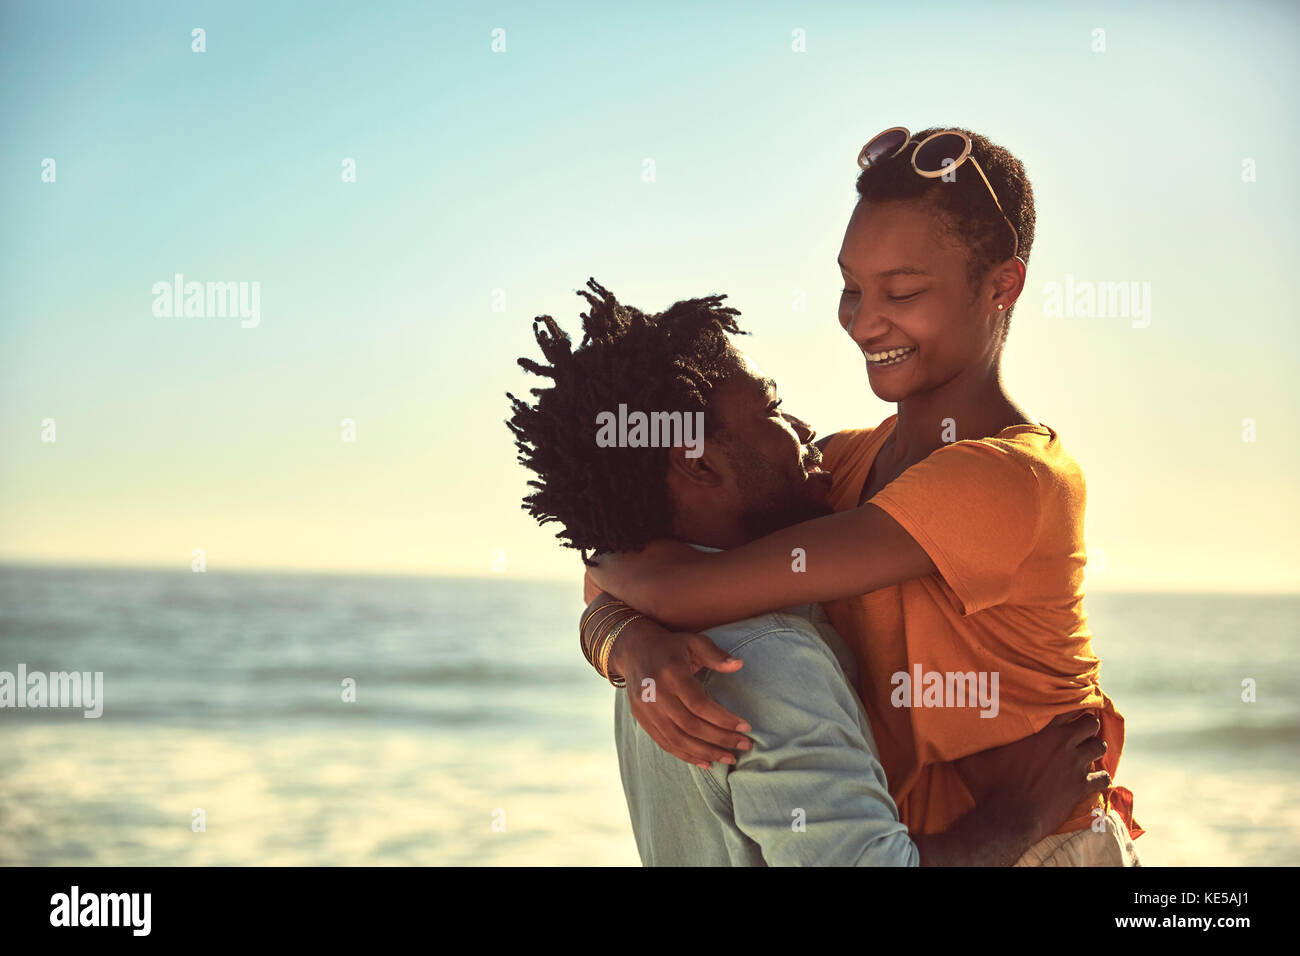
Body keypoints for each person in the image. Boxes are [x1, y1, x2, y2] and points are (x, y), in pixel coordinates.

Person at [584, 127, 1143, 866]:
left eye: (903, 292)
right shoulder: (848, 466)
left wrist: (626, 612)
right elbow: (649, 549)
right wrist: (630, 640)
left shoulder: (1008, 479)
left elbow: (680, 580)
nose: (863, 319)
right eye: (852, 287)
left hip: (1040, 847)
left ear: (1001, 286)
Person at [506, 280, 1111, 866]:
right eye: (771, 408)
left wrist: (618, 635)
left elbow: (608, 578)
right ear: (697, 461)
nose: (803, 431)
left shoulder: (652, 647)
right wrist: (1024, 814)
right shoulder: (766, 661)